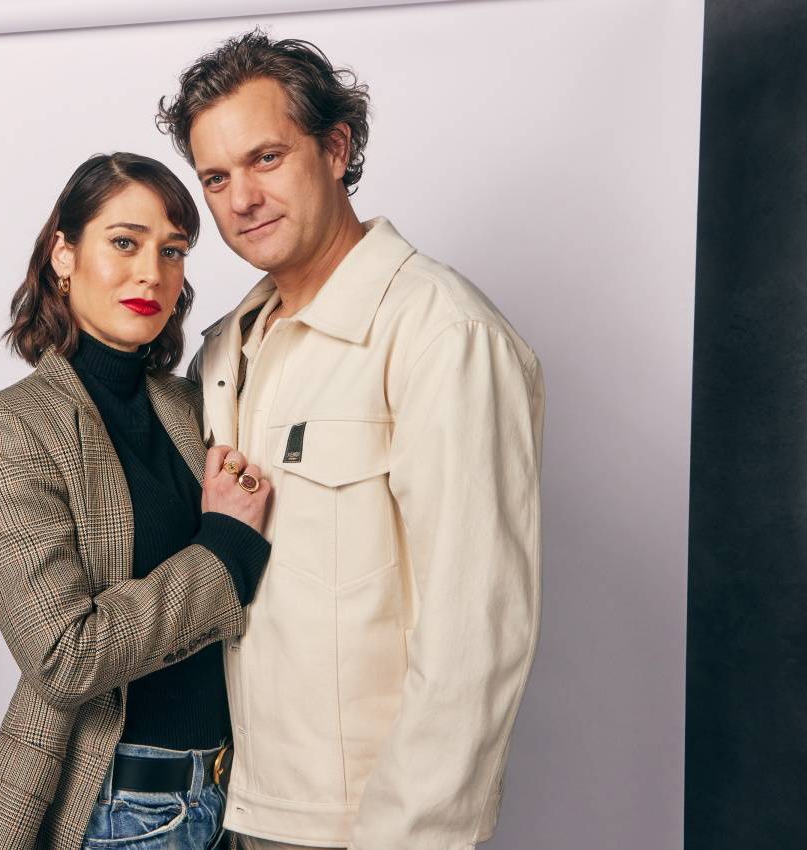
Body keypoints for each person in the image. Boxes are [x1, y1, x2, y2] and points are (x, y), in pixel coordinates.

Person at [157, 30, 545, 850]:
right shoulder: (225, 347)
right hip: (231, 806)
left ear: (336, 148)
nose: (241, 199)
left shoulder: (443, 335)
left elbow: (475, 631)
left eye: (266, 158)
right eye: (216, 177)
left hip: (359, 827)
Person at [0, 152, 273, 850]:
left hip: (240, 797)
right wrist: (222, 550)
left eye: (173, 251)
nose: (150, 273)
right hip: (119, 804)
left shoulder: (198, 406)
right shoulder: (9, 427)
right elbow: (64, 656)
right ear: (62, 254)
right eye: (124, 242)